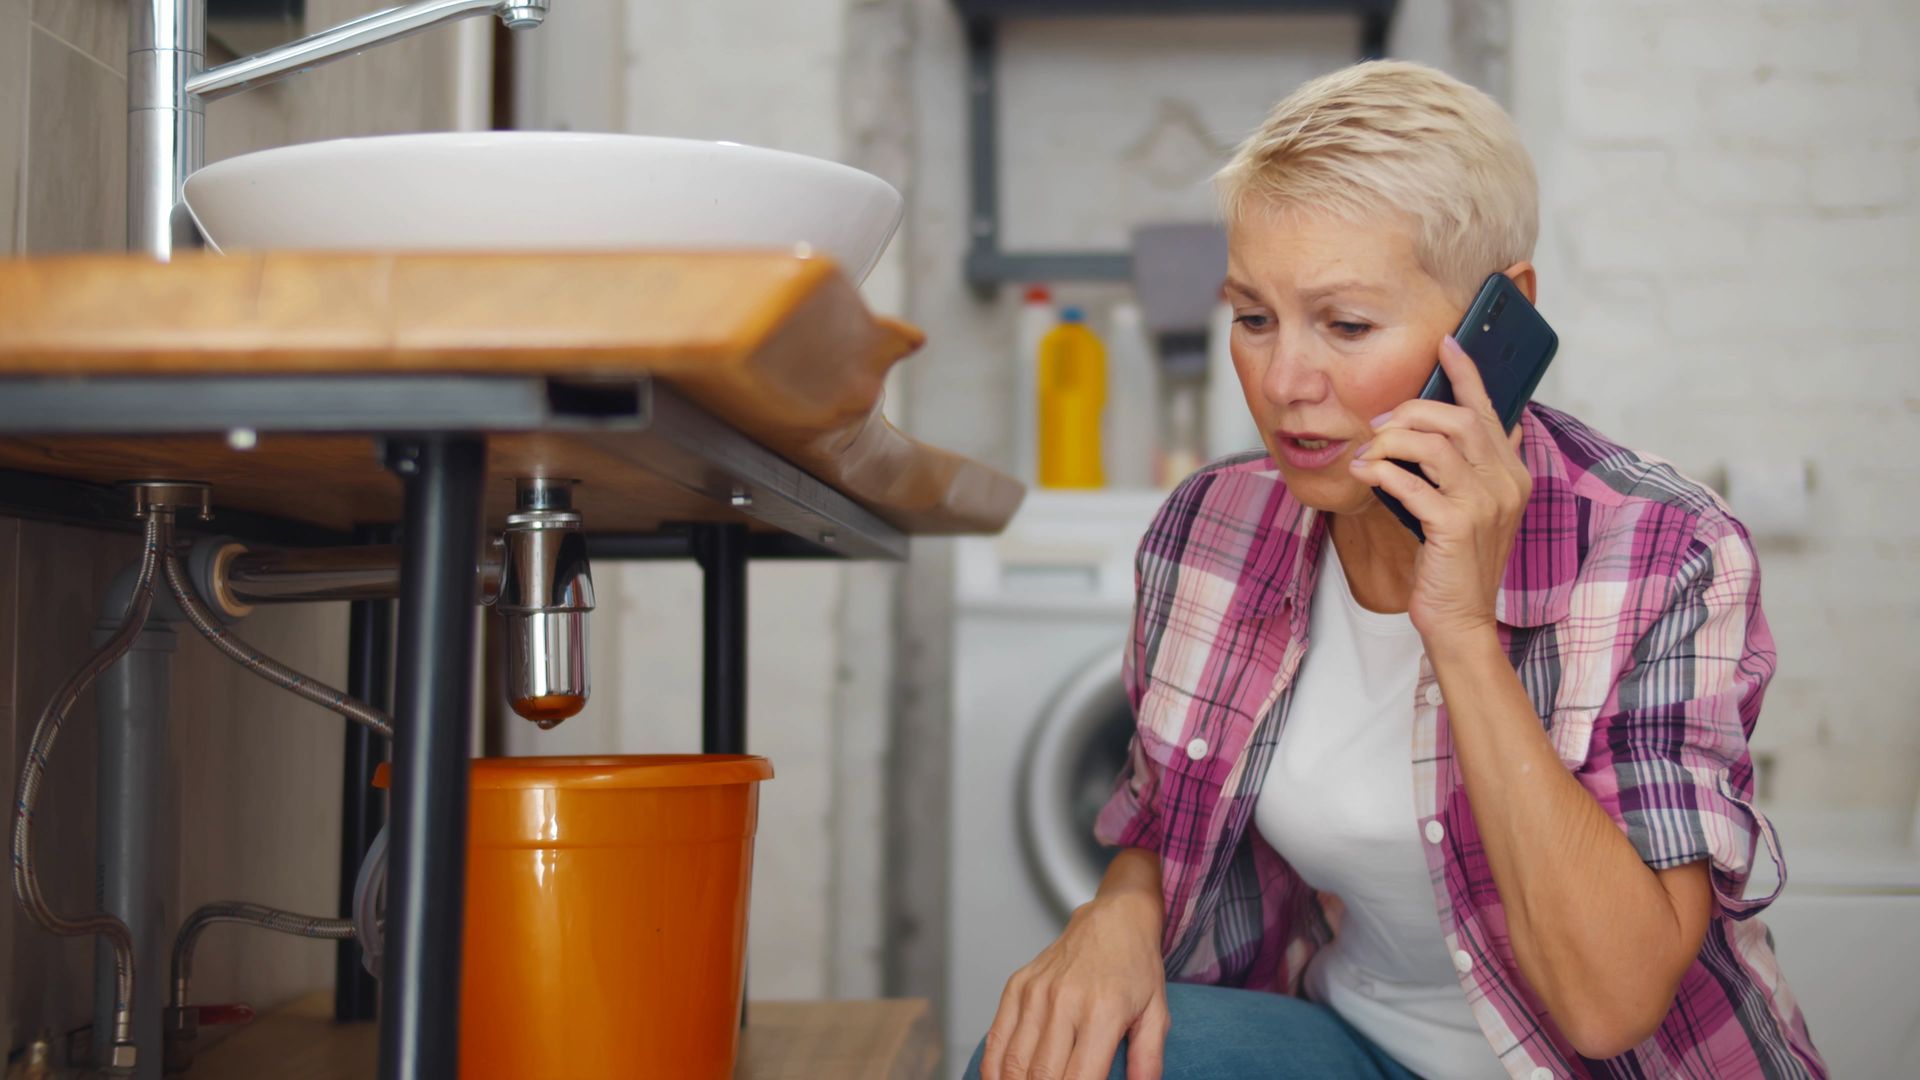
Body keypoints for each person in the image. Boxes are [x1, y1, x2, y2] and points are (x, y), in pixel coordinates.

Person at [965, 60, 1825, 1080]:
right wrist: (1114, 913)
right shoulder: (1212, 527)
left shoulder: (1663, 551)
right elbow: (1166, 817)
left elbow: (1610, 1007)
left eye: (1347, 325)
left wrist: (1460, 632)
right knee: (1035, 1060)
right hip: (1357, 1047)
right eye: (1253, 317)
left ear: (1497, 320)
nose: (1285, 384)